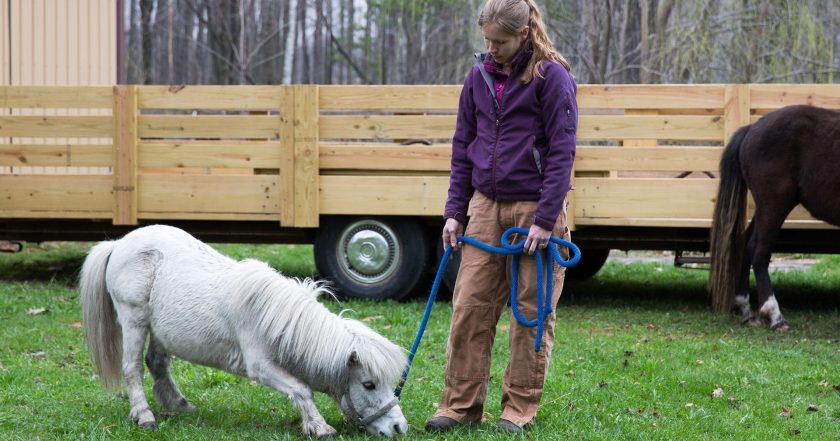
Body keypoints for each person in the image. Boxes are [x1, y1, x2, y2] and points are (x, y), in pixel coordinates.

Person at [425, 0, 577, 434]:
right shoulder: (477, 78)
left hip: (535, 207)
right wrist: (455, 211)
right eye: (487, 40)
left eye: (501, 41)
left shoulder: (553, 78)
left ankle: (518, 408)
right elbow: (462, 145)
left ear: (524, 34)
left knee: (530, 313)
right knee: (469, 307)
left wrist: (546, 220)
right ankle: (459, 404)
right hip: (485, 205)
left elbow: (563, 152)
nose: (491, 48)